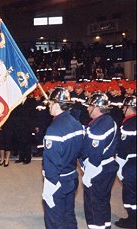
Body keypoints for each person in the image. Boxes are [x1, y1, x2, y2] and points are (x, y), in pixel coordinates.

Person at [42, 87, 84, 229]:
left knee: (55, 219)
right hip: (72, 176)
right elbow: (80, 152)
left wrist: (50, 184)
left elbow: (52, 161)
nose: (48, 105)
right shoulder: (76, 123)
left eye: (50, 103)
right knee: (69, 215)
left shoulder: (54, 129)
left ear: (57, 104)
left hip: (58, 181)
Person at [81, 92, 119, 229]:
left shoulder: (99, 127)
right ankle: (105, 226)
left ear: (96, 107)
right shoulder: (107, 121)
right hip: (108, 167)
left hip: (98, 170)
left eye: (89, 106)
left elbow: (95, 154)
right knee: (103, 202)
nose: (87, 108)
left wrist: (89, 174)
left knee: (93, 206)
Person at [115, 96, 136, 228]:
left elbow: (123, 149)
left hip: (132, 163)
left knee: (131, 193)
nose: (123, 110)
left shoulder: (128, 124)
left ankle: (133, 220)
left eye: (124, 107)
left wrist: (119, 168)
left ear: (129, 108)